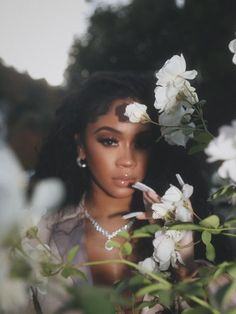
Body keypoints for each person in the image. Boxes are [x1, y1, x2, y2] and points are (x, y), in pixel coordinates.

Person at [29, 72, 194, 313]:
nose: (127, 161)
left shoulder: (178, 232)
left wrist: (185, 269)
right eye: (109, 140)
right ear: (81, 147)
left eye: (141, 142)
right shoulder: (38, 237)